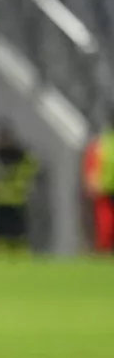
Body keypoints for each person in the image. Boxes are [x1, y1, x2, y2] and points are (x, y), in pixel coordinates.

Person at [0, 120, 38, 255]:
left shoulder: (20, 156)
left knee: (18, 235)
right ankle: (1, 258)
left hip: (16, 201)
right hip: (0, 201)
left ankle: (19, 257)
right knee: (0, 235)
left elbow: (30, 171)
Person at [82, 108, 114, 253]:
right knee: (105, 226)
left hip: (104, 189)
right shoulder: (102, 142)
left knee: (105, 226)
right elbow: (91, 163)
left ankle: (104, 253)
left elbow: (91, 163)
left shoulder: (101, 142)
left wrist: (91, 181)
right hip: (104, 191)